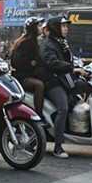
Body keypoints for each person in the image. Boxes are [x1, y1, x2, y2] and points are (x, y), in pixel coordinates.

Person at [36, 15, 87, 158]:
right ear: (55, 28)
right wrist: (72, 68)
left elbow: (69, 59)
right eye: (63, 26)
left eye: (66, 26)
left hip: (63, 79)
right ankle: (58, 146)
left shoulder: (61, 43)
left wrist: (81, 67)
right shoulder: (47, 45)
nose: (66, 28)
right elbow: (52, 63)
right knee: (63, 107)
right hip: (52, 81)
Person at [10, 17, 46, 123]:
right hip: (23, 76)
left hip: (30, 73)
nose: (41, 28)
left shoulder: (36, 41)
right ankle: (39, 114)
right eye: (39, 26)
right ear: (33, 28)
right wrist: (31, 63)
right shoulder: (26, 42)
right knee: (39, 85)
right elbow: (18, 61)